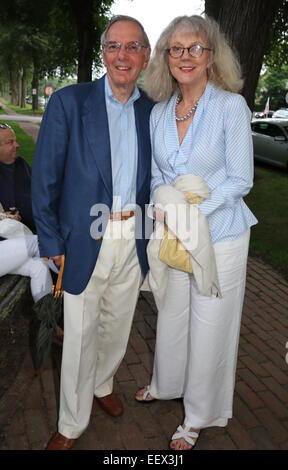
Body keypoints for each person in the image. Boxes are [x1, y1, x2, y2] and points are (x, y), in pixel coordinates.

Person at [135, 15, 258, 451]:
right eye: (176, 48)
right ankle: (166, 385)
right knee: (170, 312)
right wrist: (162, 211)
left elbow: (241, 178)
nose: (185, 56)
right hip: (174, 233)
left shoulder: (230, 106)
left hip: (220, 233)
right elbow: (155, 176)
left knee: (209, 325)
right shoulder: (160, 112)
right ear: (166, 58)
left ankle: (199, 415)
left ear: (211, 56)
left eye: (195, 48)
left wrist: (191, 213)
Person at [32, 15, 153, 450]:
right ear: (104, 53)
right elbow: (44, 178)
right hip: (83, 241)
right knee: (80, 334)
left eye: (133, 46)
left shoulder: (150, 110)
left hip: (132, 237)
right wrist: (51, 242)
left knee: (118, 326)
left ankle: (103, 385)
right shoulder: (69, 102)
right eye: (114, 46)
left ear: (145, 56)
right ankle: (70, 423)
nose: (123, 55)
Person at [0, 123, 53, 302]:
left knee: (39, 268)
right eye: (10, 142)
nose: (17, 145)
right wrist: (4, 217)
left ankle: (49, 322)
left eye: (15, 140)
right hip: (6, 246)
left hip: (11, 247)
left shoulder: (22, 165)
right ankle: (74, 269)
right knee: (42, 244)